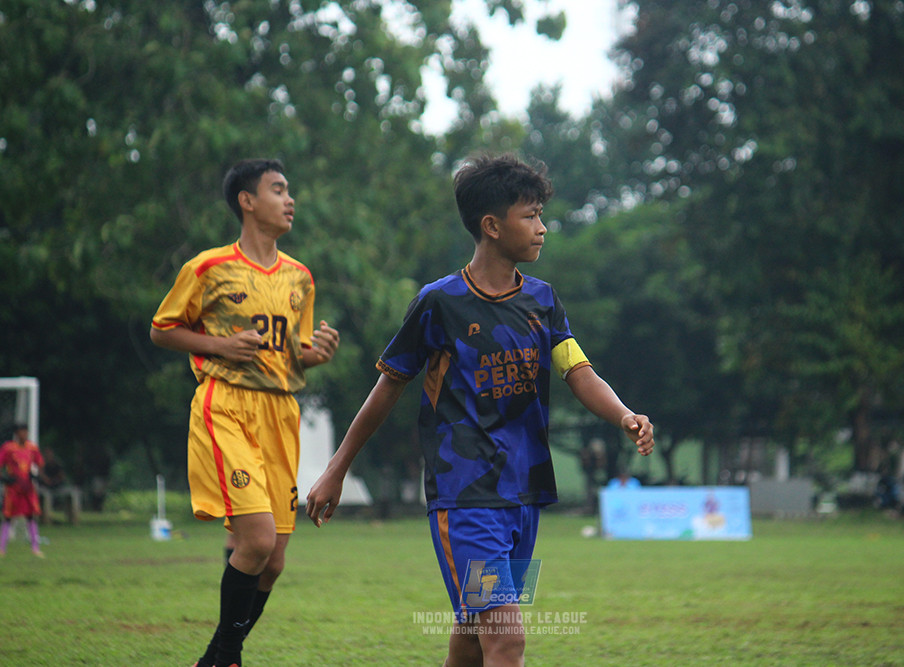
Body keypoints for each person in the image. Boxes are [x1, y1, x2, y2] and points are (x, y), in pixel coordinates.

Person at [306, 153, 654, 666]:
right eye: (530, 216)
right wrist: (336, 469)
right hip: (466, 493)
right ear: (491, 226)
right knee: (506, 637)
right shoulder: (438, 303)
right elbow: (388, 387)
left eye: (541, 215)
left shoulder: (542, 301)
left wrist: (624, 414)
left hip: (525, 490)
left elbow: (578, 371)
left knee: (472, 636)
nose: (542, 228)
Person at [150, 158, 339, 667]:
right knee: (256, 540)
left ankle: (215, 658)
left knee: (272, 561)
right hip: (227, 407)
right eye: (278, 189)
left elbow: (293, 351)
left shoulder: (301, 278)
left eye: (289, 190)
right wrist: (219, 344)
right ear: (247, 201)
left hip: (280, 415)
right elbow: (162, 329)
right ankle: (224, 657)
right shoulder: (208, 268)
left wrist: (313, 354)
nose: (289, 199)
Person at [0, 424, 46, 557]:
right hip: (13, 489)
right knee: (8, 517)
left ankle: (35, 548)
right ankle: (2, 548)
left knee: (30, 516)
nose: (24, 434)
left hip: (28, 488)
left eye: (26, 432)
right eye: (21, 432)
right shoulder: (8, 448)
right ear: (16, 433)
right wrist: (5, 478)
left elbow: (40, 463)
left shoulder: (32, 448)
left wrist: (37, 476)